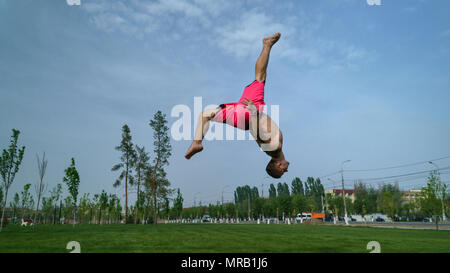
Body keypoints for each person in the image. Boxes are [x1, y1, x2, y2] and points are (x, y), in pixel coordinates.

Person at [185, 32, 289, 178]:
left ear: (278, 165)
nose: (287, 169)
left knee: (260, 77)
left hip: (248, 115)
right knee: (205, 115)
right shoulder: (272, 150)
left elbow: (261, 135)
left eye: (283, 171)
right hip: (244, 120)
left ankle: (267, 45)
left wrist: (254, 113)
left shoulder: (275, 149)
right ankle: (196, 142)